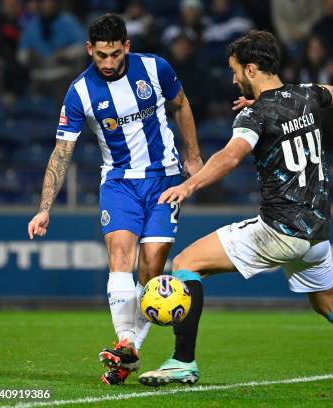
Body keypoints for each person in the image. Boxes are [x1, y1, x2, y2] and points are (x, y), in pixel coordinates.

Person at [138, 30, 333, 393]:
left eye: (236, 70)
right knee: (330, 304)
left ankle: (182, 362)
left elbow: (230, 156)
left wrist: (187, 185)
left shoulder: (255, 116)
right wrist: (280, 99)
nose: (234, 79)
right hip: (316, 235)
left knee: (185, 264)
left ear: (252, 68)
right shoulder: (305, 95)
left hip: (278, 230)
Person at [26, 14, 202, 385]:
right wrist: (44, 208)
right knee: (120, 255)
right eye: (101, 55)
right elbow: (61, 153)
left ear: (127, 48)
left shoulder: (156, 69)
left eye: (115, 55)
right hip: (119, 182)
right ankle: (126, 341)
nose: (108, 63)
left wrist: (193, 155)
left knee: (151, 269)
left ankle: (128, 354)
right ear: (90, 49)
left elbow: (181, 103)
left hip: (165, 180)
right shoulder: (80, 93)